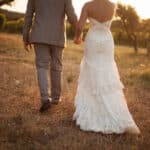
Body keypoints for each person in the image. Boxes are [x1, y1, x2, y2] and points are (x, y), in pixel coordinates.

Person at [73, 0, 140, 134]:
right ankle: (111, 110)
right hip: (107, 41)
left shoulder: (88, 5)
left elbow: (80, 26)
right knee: (107, 71)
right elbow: (106, 24)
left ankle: (92, 110)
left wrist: (77, 37)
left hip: (92, 39)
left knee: (91, 71)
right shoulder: (112, 6)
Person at [23, 0, 77, 112]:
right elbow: (72, 16)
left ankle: (45, 99)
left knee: (42, 66)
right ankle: (56, 98)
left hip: (39, 34)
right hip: (57, 36)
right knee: (56, 67)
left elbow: (28, 15)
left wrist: (25, 36)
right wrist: (79, 32)